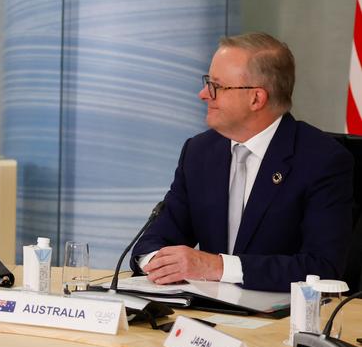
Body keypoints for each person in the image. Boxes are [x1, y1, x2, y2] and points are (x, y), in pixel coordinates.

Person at [130, 32, 353, 292]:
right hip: (203, 313)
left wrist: (218, 267)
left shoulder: (322, 160)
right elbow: (154, 241)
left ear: (256, 98)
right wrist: (157, 262)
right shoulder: (200, 152)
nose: (203, 94)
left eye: (216, 86)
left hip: (281, 319)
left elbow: (323, 268)